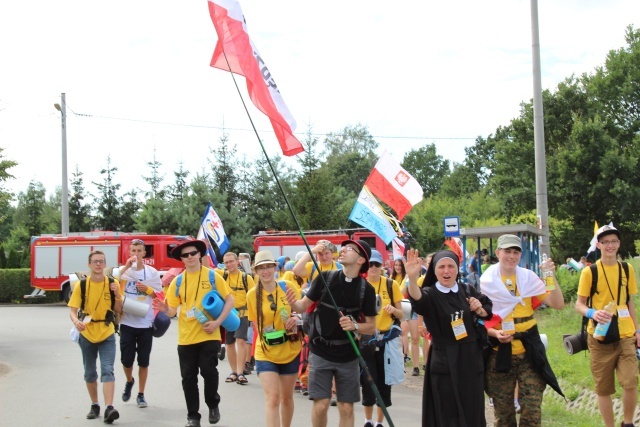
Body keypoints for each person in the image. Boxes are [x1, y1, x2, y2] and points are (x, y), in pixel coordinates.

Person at [286, 240, 377, 427]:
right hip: (320, 350)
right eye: (343, 248)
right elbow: (302, 305)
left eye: (349, 249)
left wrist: (354, 326)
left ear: (361, 260)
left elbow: (371, 327)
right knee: (321, 405)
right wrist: (293, 303)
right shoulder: (325, 278)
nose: (342, 250)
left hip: (349, 354)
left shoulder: (366, 289)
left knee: (346, 408)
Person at [480, 234, 565, 427]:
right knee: (504, 414)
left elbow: (558, 303)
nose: (511, 256)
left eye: (516, 252)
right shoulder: (487, 282)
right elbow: (480, 321)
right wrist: (495, 334)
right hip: (499, 352)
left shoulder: (529, 278)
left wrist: (551, 276)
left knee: (532, 409)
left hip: (529, 351)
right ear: (497, 253)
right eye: (507, 251)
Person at [406, 249, 492, 426]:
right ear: (434, 271)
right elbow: (418, 299)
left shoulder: (467, 290)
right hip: (444, 357)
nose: (446, 271)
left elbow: (487, 311)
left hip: (469, 357)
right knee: (447, 411)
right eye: (442, 267)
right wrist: (412, 279)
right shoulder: (430, 293)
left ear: (457, 268)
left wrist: (479, 309)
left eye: (451, 266)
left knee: (472, 409)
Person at [153, 239, 234, 427]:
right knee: (188, 378)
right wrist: (165, 308)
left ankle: (213, 404)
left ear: (200, 255)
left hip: (209, 334)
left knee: (209, 371)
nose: (190, 257)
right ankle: (193, 417)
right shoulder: (178, 281)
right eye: (185, 255)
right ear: (181, 259)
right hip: (186, 338)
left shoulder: (213, 277)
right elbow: (173, 311)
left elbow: (229, 300)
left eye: (193, 253)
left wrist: (217, 322)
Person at [575, 225, 638, 427]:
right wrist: (593, 313)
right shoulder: (589, 272)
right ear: (598, 245)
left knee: (630, 382)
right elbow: (579, 304)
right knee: (604, 388)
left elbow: (629, 302)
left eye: (613, 241)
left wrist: (637, 330)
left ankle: (628, 423)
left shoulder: (627, 269)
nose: (610, 245)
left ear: (619, 244)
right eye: (605, 242)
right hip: (599, 337)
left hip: (626, 335)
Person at [247, 250, 302, 427]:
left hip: (290, 349)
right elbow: (256, 325)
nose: (266, 271)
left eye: (269, 266)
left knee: (286, 398)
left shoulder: (288, 287)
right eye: (261, 268)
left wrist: (296, 319)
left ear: (275, 267)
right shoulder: (252, 295)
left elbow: (301, 311)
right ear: (256, 271)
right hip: (266, 352)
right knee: (272, 398)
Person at [68, 250, 123, 424]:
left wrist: (117, 294)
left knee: (107, 370)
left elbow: (119, 309)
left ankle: (109, 408)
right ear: (89, 265)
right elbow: (72, 310)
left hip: (106, 332)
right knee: (90, 372)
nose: (98, 264)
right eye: (95, 261)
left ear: (105, 264)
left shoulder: (113, 283)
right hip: (87, 333)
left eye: (101, 261)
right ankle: (95, 404)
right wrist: (76, 321)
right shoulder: (82, 285)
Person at [117, 239, 163, 408]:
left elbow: (160, 294)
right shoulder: (123, 271)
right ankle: (129, 381)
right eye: (133, 250)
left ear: (144, 253)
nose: (136, 253)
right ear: (129, 253)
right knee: (126, 361)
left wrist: (148, 290)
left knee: (143, 361)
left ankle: (141, 394)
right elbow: (110, 282)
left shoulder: (151, 272)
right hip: (127, 322)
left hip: (145, 323)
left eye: (139, 250)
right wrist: (126, 267)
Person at [361, 249, 404, 427]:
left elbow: (402, 314)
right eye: (370, 264)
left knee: (384, 383)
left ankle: (379, 422)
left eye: (376, 264)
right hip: (366, 339)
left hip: (385, 340)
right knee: (367, 380)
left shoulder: (390, 284)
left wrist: (393, 310)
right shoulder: (360, 285)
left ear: (382, 266)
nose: (373, 268)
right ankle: (367, 421)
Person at [221, 251, 256, 385]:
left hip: (243, 313)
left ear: (237, 262)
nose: (229, 264)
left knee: (241, 341)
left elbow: (253, 297)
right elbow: (207, 269)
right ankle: (234, 372)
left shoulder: (246, 278)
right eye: (226, 262)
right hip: (228, 314)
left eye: (231, 261)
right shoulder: (222, 276)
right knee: (229, 343)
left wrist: (253, 317)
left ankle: (241, 372)